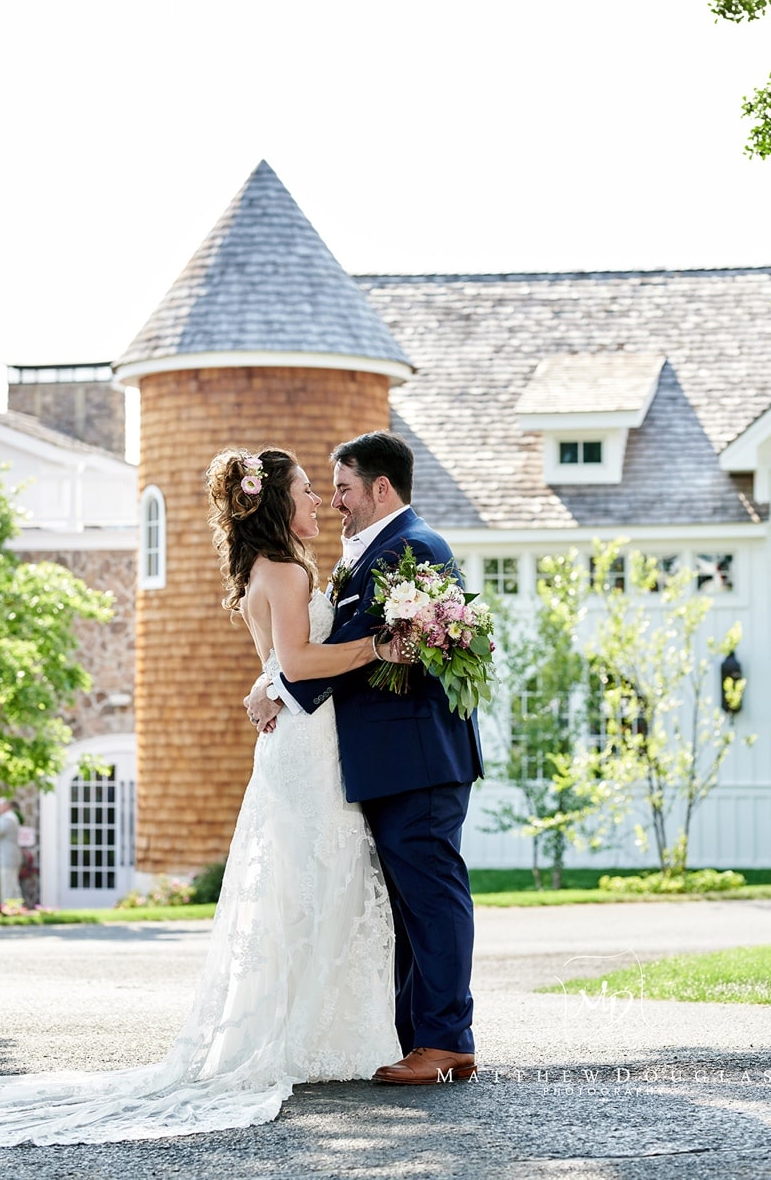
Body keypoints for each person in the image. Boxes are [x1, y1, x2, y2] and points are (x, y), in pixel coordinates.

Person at [0, 447, 410, 1147]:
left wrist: (273, 684)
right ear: (279, 503)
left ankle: (319, 1032)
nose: (319, 502)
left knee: (310, 885)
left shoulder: (275, 569)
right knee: (315, 882)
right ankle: (302, 1038)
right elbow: (301, 663)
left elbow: (280, 672)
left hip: (300, 742)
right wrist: (378, 647)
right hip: (305, 749)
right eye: (309, 492)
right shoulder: (284, 572)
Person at [251, 430, 483, 1087]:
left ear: (381, 488)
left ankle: (444, 1039)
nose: (335, 501)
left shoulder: (409, 548)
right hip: (391, 760)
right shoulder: (371, 554)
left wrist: (276, 685)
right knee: (408, 904)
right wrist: (274, 679)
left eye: (345, 488)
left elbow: (357, 643)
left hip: (419, 757)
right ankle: (424, 1039)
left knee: (432, 897)